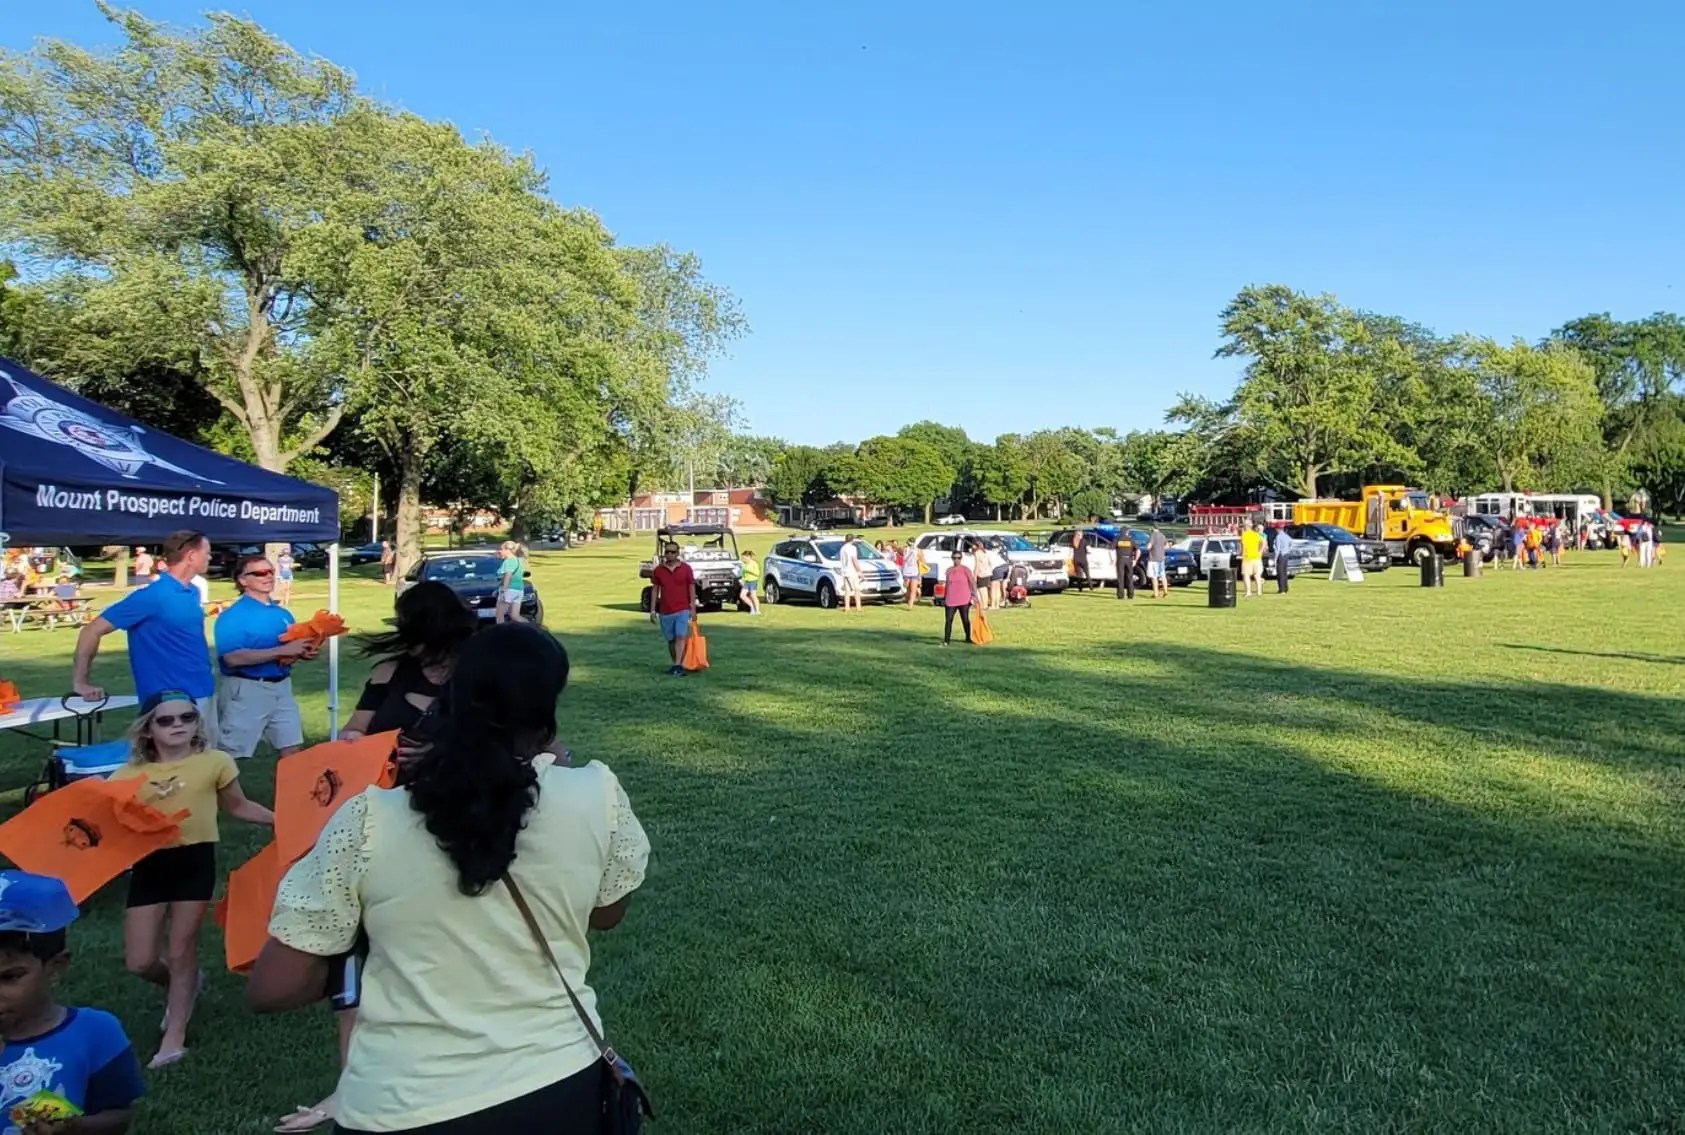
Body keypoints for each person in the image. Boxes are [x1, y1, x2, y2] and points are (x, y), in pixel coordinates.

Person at [251, 625, 650, 1135]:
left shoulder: (368, 819)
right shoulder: (595, 793)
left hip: (402, 1102)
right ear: (550, 708)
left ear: (453, 696)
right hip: (560, 1081)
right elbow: (607, 913)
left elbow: (274, 987)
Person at [111, 690, 274, 1068]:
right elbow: (111, 825)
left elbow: (238, 806)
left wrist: (282, 819)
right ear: (148, 729)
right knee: (140, 961)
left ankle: (174, 1037)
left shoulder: (215, 762)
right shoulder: (128, 775)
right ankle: (183, 985)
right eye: (166, 720)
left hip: (194, 860)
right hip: (150, 864)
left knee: (182, 947)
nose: (178, 726)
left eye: (187, 718)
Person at [0, 871, 145, 1133]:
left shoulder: (96, 1032)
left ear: (56, 965)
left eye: (10, 977)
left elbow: (119, 1115)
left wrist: (75, 1128)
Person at [72, 531, 217, 733]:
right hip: (169, 702)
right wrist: (81, 682)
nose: (210, 557)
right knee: (176, 763)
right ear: (192, 556)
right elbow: (91, 630)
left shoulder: (193, 591)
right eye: (207, 553)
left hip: (204, 692)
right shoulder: (151, 597)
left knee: (207, 761)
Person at [213, 555, 314, 761]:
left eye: (270, 572)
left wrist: (300, 652)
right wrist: (282, 652)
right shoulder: (232, 616)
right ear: (242, 580)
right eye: (259, 573)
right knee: (231, 755)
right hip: (247, 690)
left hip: (282, 687)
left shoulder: (282, 613)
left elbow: (287, 652)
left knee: (292, 750)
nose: (268, 577)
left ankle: (288, 794)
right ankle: (225, 794)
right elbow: (232, 658)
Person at [649, 542, 697, 677]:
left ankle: (678, 665)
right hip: (665, 610)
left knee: (681, 636)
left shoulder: (686, 569)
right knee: (671, 640)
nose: (670, 555)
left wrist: (692, 607)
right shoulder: (659, 570)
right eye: (667, 552)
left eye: (673, 552)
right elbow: (655, 590)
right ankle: (676, 663)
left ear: (678, 553)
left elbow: (691, 587)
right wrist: (652, 610)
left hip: (683, 608)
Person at [940, 550, 977, 645]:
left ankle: (968, 637)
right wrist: (944, 598)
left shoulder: (966, 570)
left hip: (964, 599)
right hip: (951, 599)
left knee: (965, 619)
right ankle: (946, 640)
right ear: (952, 558)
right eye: (954, 558)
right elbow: (947, 585)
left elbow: (972, 583)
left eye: (958, 558)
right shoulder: (949, 570)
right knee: (948, 620)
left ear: (961, 558)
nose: (956, 560)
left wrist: (974, 595)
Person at [495, 542, 526, 625]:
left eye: (501, 549)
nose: (500, 551)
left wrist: (504, 591)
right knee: (515, 616)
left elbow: (508, 576)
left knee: (499, 615)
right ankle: (533, 629)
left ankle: (501, 635)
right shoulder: (518, 560)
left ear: (507, 550)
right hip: (518, 590)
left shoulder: (509, 561)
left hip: (509, 590)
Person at [1239, 521, 1265, 598]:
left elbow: (1243, 546)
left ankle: (1248, 592)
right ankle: (1259, 592)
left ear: (1246, 526)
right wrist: (1260, 551)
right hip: (1257, 558)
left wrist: (1241, 554)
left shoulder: (1244, 535)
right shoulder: (1256, 534)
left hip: (1247, 558)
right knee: (1257, 575)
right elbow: (1263, 542)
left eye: (1243, 525)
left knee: (1246, 575)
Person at [837, 535, 863, 612]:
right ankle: (858, 607)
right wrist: (859, 571)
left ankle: (847, 607)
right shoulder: (852, 548)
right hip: (852, 571)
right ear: (852, 540)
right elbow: (854, 560)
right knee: (857, 589)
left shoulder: (842, 548)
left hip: (844, 571)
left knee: (847, 591)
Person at [971, 542, 995, 611]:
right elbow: (989, 562)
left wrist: (975, 575)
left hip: (981, 573)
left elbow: (977, 565)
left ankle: (983, 605)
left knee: (981, 589)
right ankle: (985, 604)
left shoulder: (977, 553)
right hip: (987, 572)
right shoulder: (985, 552)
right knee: (985, 589)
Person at [1148, 526, 1170, 599]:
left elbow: (1149, 546)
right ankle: (1166, 592)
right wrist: (1160, 549)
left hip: (1153, 559)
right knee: (1163, 575)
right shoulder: (1162, 535)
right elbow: (1167, 546)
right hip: (1161, 558)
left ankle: (1156, 593)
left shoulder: (1153, 535)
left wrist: (1149, 547)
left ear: (1153, 528)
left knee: (1154, 577)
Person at [1115, 529, 1136, 600]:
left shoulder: (1117, 539)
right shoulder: (1130, 540)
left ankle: (1121, 595)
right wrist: (1135, 560)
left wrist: (1112, 559)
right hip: (1129, 560)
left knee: (1120, 577)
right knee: (1129, 577)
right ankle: (1130, 594)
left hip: (1120, 559)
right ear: (1127, 532)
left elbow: (1111, 549)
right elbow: (1138, 550)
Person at [739, 550, 762, 615]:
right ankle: (751, 606)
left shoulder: (754, 564)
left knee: (753, 596)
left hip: (753, 581)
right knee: (742, 595)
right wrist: (742, 579)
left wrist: (748, 570)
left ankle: (757, 610)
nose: (743, 559)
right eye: (743, 558)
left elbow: (757, 573)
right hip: (746, 582)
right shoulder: (744, 564)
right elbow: (743, 573)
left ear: (748, 557)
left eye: (744, 558)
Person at [1272, 525, 1294, 594]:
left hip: (1281, 555)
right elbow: (1291, 542)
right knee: (1284, 572)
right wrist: (1288, 550)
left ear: (1278, 529)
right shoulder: (1287, 536)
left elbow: (1277, 549)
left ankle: (1281, 589)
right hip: (1286, 555)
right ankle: (1286, 588)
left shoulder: (1278, 537)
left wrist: (1275, 559)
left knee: (1280, 573)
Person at [902, 539, 923, 609]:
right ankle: (907, 599)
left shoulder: (918, 551)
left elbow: (923, 560)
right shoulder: (905, 550)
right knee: (907, 587)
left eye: (912, 544)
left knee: (913, 589)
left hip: (915, 572)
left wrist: (919, 559)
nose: (911, 545)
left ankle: (910, 605)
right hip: (906, 571)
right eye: (910, 544)